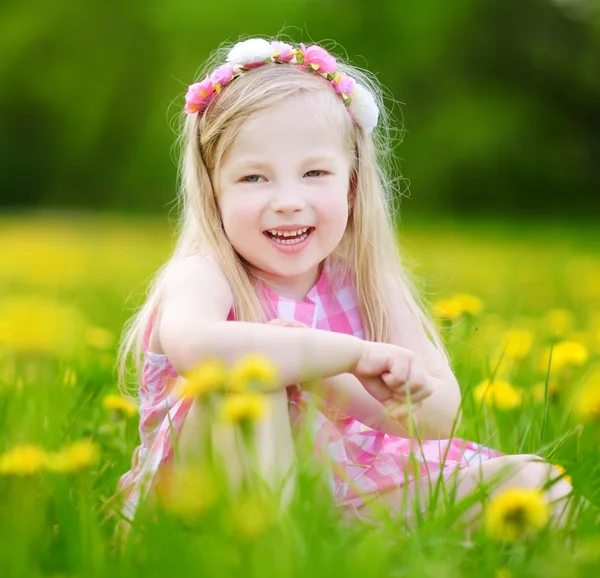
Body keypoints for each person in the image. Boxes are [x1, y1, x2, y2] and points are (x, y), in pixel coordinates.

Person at [116, 37, 572, 526]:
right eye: (254, 178)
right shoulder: (204, 276)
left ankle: (347, 557)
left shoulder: (367, 285)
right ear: (213, 191)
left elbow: (439, 418)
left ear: (351, 184)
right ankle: (269, 565)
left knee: (538, 486)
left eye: (314, 172)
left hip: (349, 496)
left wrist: (330, 377)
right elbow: (197, 347)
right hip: (216, 505)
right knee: (248, 378)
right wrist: (348, 355)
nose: (288, 200)